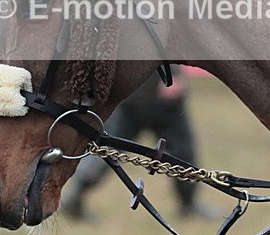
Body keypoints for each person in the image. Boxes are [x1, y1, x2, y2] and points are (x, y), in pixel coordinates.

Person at [62, 66, 219, 221]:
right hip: (143, 100)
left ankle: (188, 203)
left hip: (150, 99)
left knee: (183, 153)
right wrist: (175, 75)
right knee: (106, 152)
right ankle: (74, 198)